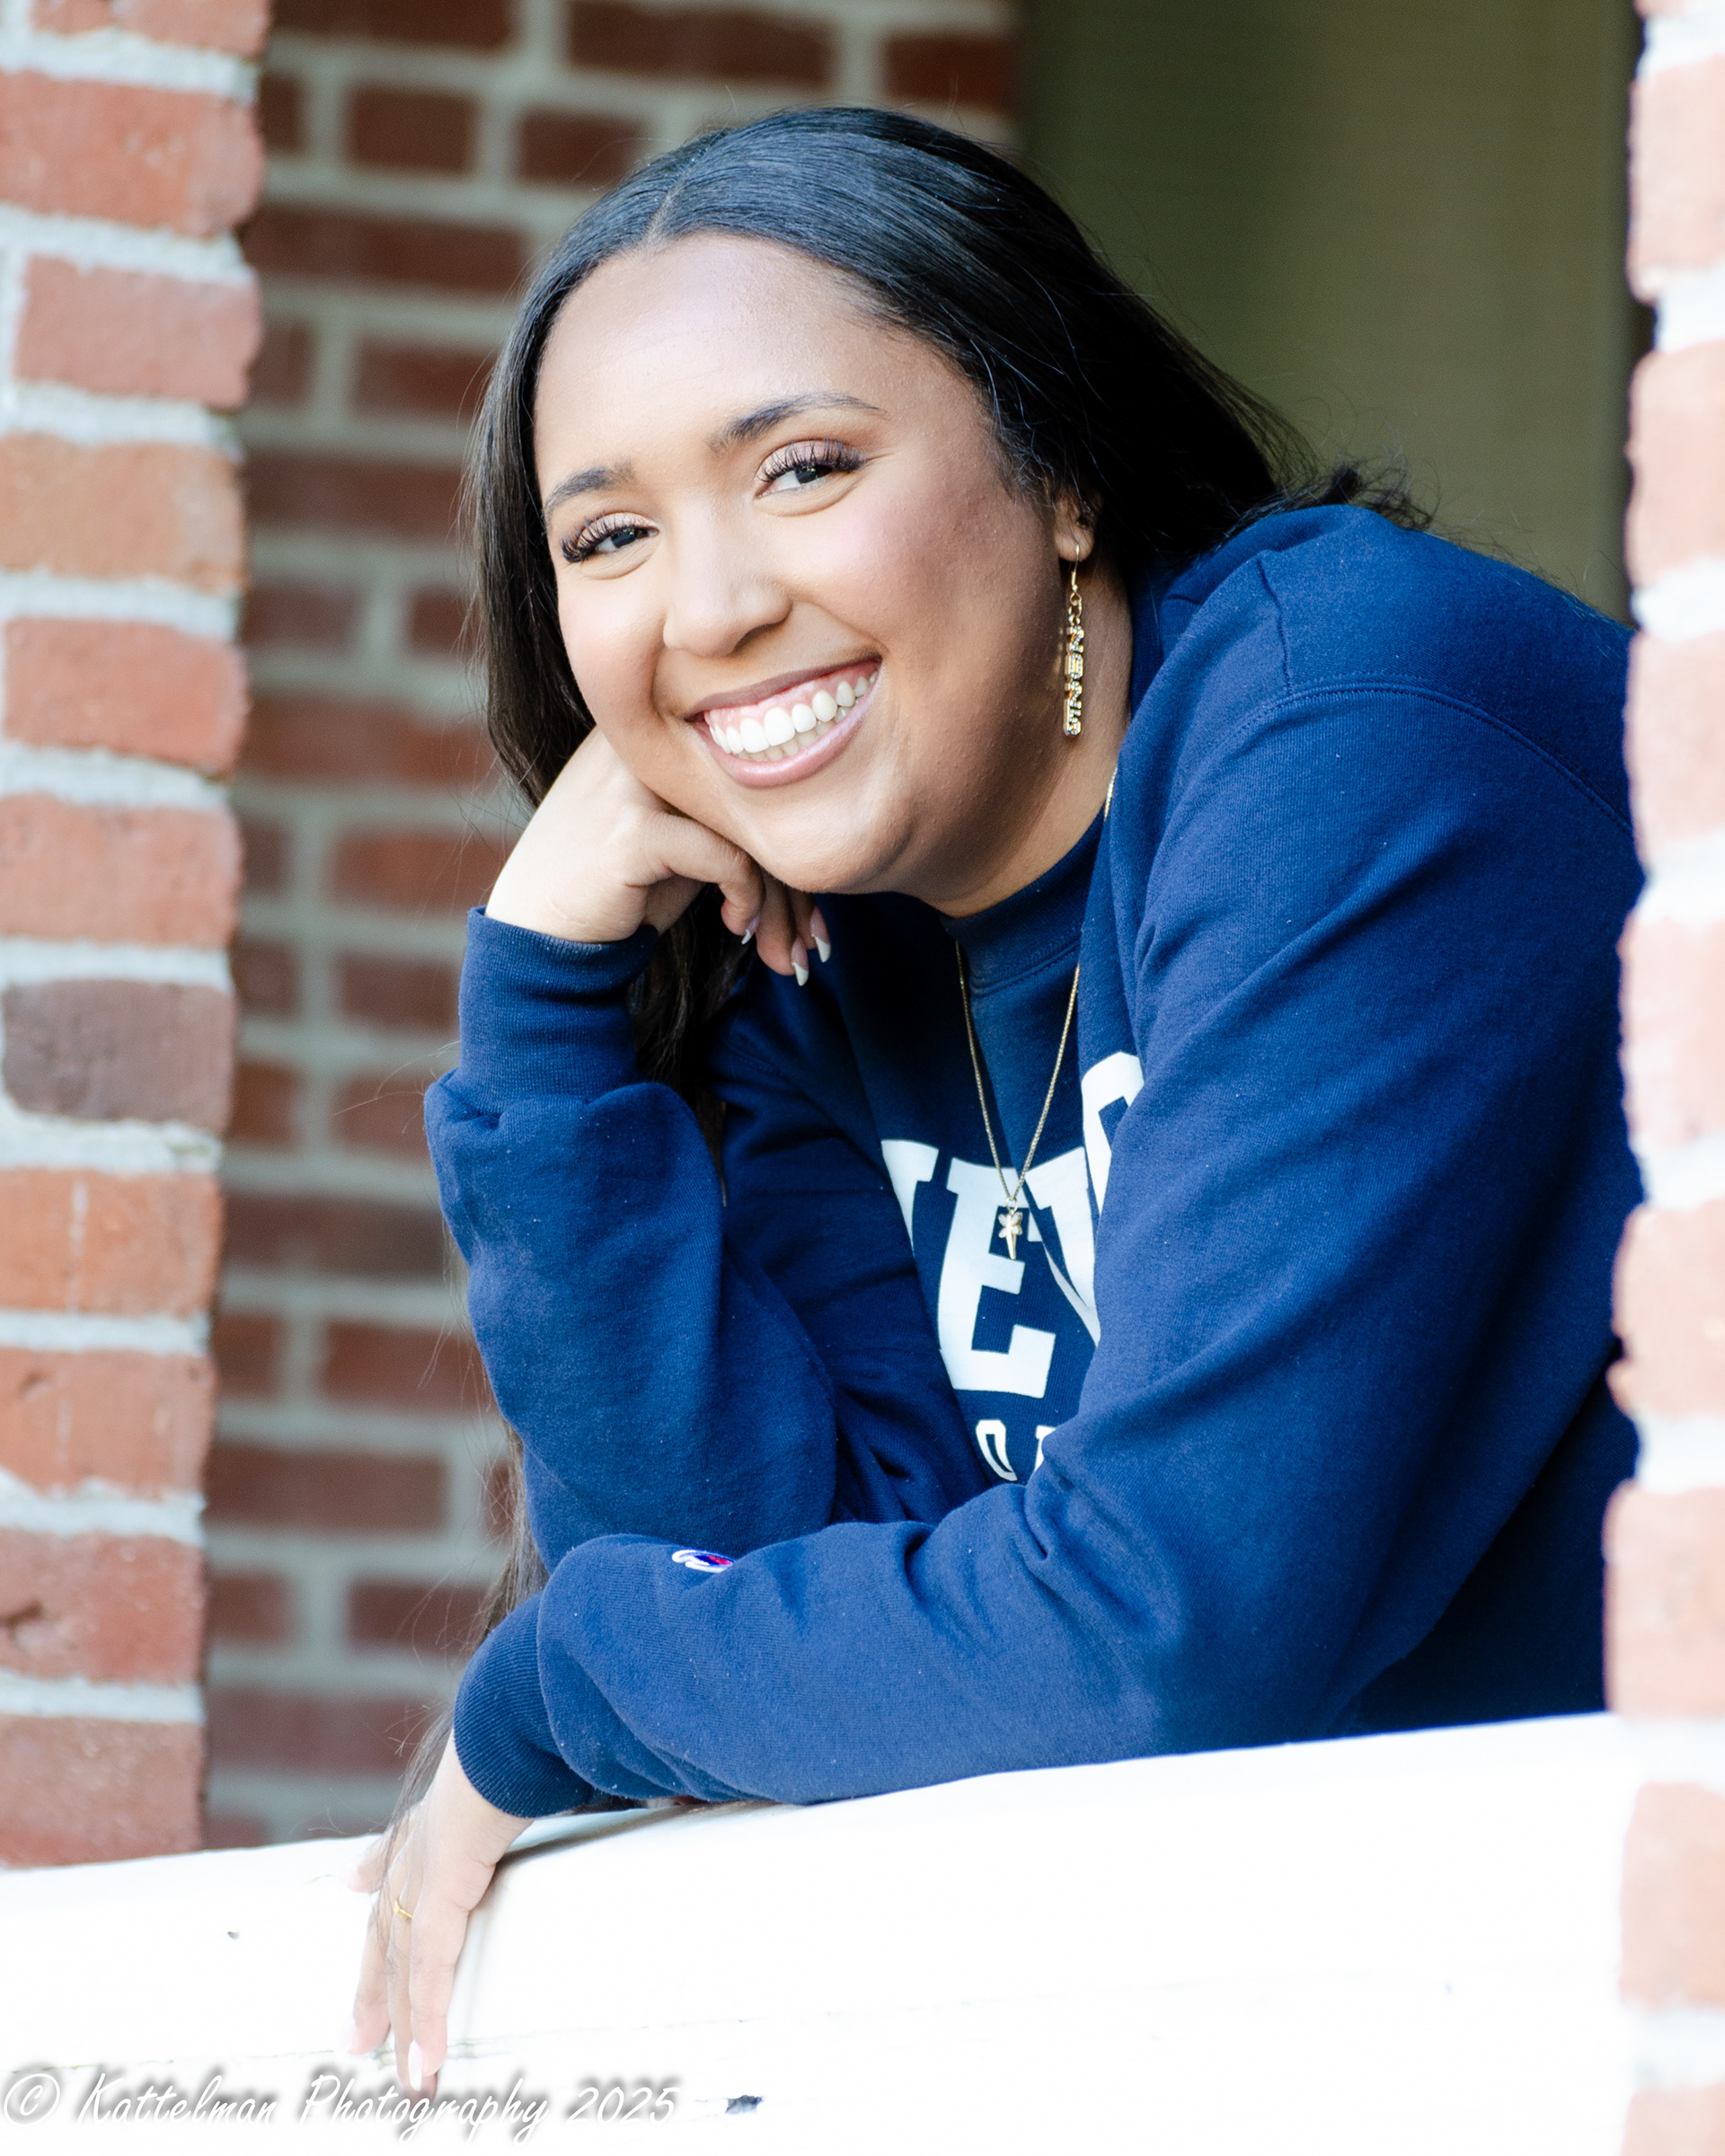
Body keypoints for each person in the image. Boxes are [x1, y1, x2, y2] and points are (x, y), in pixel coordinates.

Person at [346, 107, 1641, 2093]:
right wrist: (543, 1012)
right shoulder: (824, 956)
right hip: (1392, 2008)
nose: (707, 610)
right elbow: (779, 1625)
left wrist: (570, 1676)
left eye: (803, 468)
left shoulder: (1353, 726)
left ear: (1063, 472)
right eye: (608, 537)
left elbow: (1161, 1628)